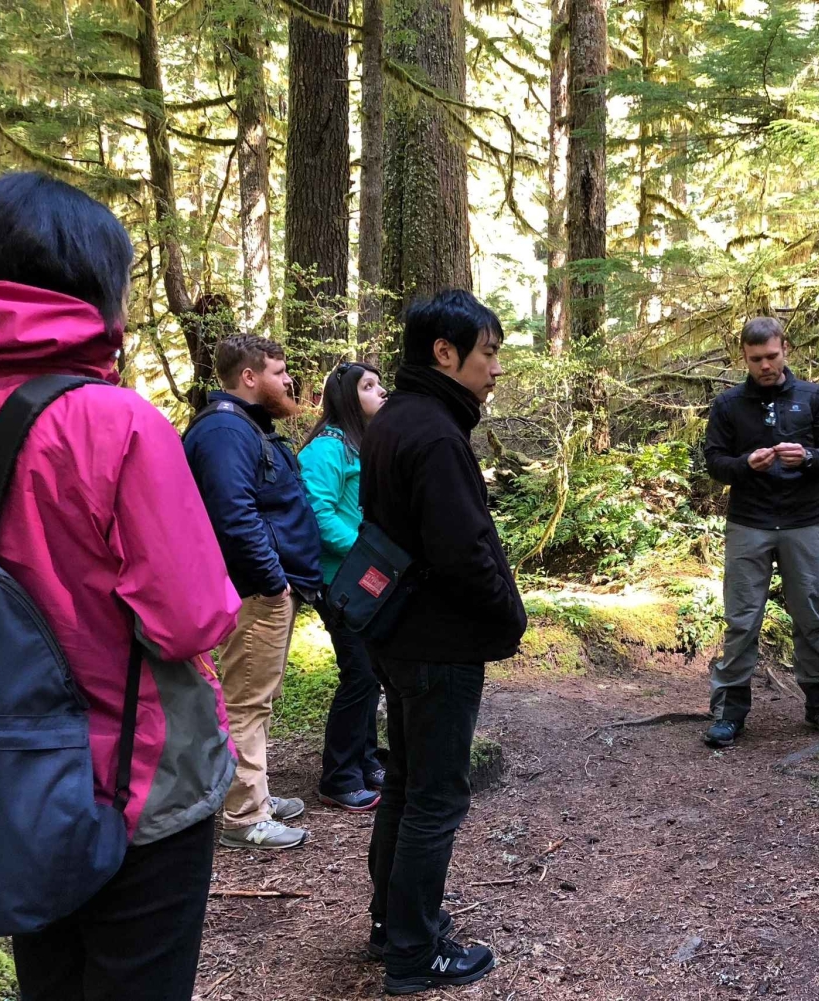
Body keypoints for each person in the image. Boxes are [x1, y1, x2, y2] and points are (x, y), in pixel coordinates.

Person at [0, 172, 242, 1000]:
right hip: (133, 787)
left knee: (48, 977)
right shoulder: (116, 422)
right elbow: (194, 619)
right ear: (93, 291)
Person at [360, 290, 527, 996]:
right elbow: (463, 552)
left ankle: (390, 922)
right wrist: (508, 615)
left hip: (401, 634)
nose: (494, 370)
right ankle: (414, 952)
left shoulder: (398, 419)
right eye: (488, 354)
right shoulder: (433, 433)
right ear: (444, 353)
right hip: (437, 645)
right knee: (435, 795)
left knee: (404, 782)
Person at [183, 334, 325, 849]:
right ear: (249, 377)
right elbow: (232, 516)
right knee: (245, 700)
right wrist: (273, 583)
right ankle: (244, 814)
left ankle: (253, 792)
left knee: (256, 698)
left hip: (261, 591)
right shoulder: (224, 430)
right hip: (252, 592)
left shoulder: (242, 428)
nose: (289, 380)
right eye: (280, 371)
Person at [701, 316, 819, 748]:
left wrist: (806, 457)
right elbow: (714, 461)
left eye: (771, 356)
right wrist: (745, 465)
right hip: (749, 522)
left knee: (809, 615)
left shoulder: (813, 396)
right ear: (743, 358)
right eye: (755, 359)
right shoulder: (729, 404)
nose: (764, 366)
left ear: (785, 349)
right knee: (741, 619)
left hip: (803, 521)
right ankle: (729, 712)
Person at [298, 362, 388, 812]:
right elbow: (318, 513)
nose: (381, 391)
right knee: (360, 674)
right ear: (347, 398)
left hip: (364, 579)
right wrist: (365, 552)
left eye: (379, 383)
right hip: (339, 580)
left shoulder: (359, 444)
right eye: (369, 387)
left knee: (371, 671)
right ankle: (337, 777)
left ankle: (367, 761)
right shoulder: (327, 447)